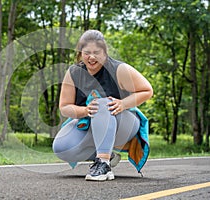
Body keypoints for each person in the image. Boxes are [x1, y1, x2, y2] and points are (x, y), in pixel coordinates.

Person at [52, 30, 153, 181]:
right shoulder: (74, 72)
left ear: (105, 53)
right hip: (92, 125)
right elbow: (65, 107)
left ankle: (103, 164)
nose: (91, 57)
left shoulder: (119, 69)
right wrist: (85, 110)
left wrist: (123, 103)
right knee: (61, 147)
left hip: (125, 124)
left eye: (96, 52)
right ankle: (107, 154)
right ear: (80, 54)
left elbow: (147, 90)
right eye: (87, 53)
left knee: (102, 103)